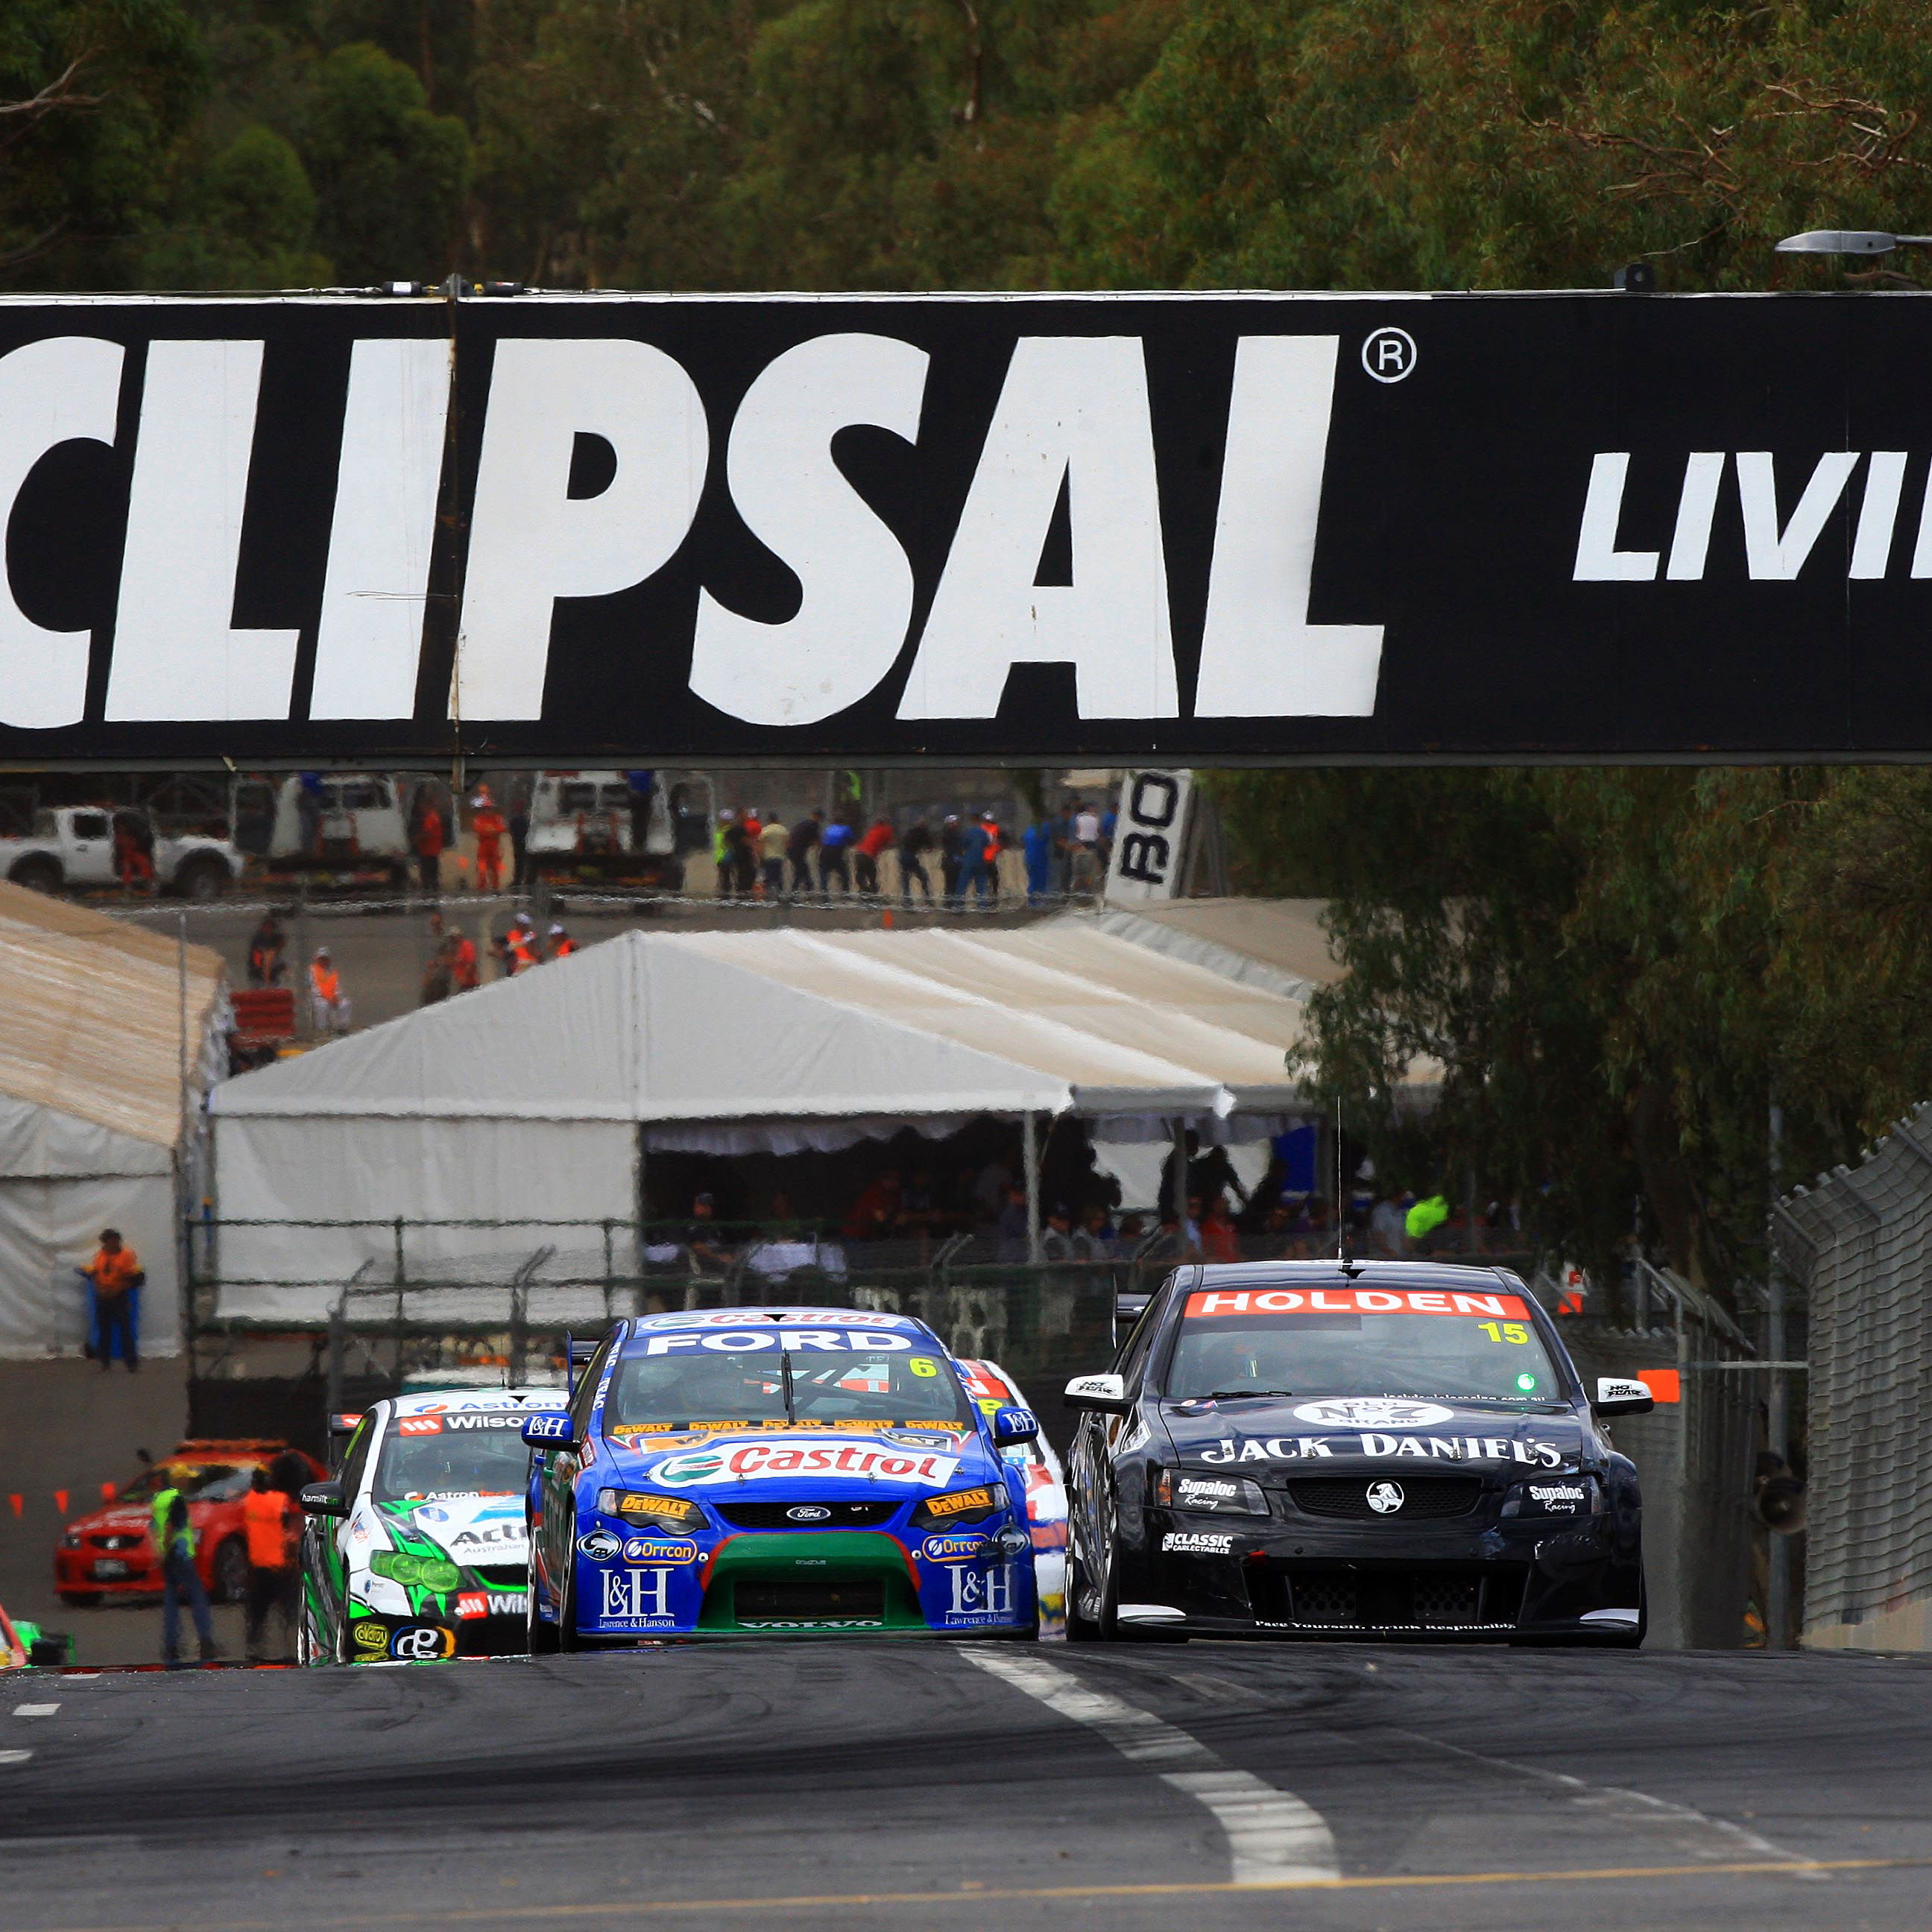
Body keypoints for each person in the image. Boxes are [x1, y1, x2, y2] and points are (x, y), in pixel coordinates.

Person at [151, 1470, 219, 1665]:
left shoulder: (158, 1499)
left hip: (168, 1557)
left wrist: (159, 1554)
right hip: (179, 1554)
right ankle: (206, 1640)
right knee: (197, 1596)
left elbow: (154, 1528)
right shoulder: (175, 1498)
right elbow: (173, 1526)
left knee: (171, 1600)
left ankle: (171, 1644)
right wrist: (166, 1549)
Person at [242, 1467, 298, 1663]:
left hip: (258, 1566)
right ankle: (293, 1647)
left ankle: (254, 1648)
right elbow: (288, 1529)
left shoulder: (249, 1501)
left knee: (258, 1612)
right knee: (289, 1611)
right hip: (280, 1565)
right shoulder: (279, 1500)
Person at [80, 1229, 141, 1371]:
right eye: (108, 1242)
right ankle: (105, 1362)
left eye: (114, 1241)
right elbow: (95, 1274)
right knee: (104, 1329)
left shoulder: (126, 1255)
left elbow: (130, 1278)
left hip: (119, 1295)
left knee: (125, 1329)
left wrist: (117, 1290)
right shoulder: (100, 1255)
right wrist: (99, 1289)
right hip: (103, 1296)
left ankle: (131, 1362)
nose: (111, 1245)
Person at [471, 789, 506, 892]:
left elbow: (501, 829)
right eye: (486, 809)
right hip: (483, 847)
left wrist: (490, 831)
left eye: (489, 808)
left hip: (494, 846)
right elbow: (479, 831)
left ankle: (495, 887)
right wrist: (492, 831)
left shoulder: (497, 818)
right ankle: (482, 887)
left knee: (495, 868)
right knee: (482, 868)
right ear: (483, 809)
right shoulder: (478, 819)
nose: (488, 811)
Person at [308, 947, 350, 1033]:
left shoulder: (332, 972)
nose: (323, 961)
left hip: (332, 997)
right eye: (321, 959)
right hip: (318, 997)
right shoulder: (311, 971)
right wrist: (328, 997)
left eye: (325, 959)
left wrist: (336, 997)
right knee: (322, 1006)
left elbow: (337, 987)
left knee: (345, 1003)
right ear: (317, 959)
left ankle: (342, 1028)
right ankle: (322, 1030)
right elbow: (312, 988)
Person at [854, 818, 895, 899]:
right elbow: (891, 843)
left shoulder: (873, 830)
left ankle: (864, 893)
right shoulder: (887, 829)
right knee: (872, 877)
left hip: (859, 854)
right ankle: (872, 895)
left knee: (861, 876)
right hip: (868, 856)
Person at [899, 818, 934, 904]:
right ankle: (928, 898)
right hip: (911, 856)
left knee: (906, 880)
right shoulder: (923, 833)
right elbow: (929, 846)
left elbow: (904, 841)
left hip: (903, 855)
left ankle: (907, 902)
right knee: (924, 877)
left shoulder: (911, 831)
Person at [786, 811, 821, 897]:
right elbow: (817, 841)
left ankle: (801, 891)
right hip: (797, 851)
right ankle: (800, 891)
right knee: (802, 871)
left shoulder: (803, 823)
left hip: (792, 850)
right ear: (818, 817)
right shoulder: (814, 825)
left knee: (801, 871)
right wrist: (820, 852)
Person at [246, 912, 285, 987]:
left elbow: (278, 960)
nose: (268, 929)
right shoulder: (258, 941)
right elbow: (257, 961)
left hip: (271, 977)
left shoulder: (274, 943)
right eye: (267, 927)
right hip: (258, 976)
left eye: (270, 927)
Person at [413, 798, 445, 894]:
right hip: (432, 850)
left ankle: (429, 893)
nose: (421, 809)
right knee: (433, 873)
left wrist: (416, 839)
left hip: (429, 851)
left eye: (423, 807)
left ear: (428, 806)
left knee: (427, 874)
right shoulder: (433, 817)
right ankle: (433, 891)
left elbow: (428, 833)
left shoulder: (431, 818)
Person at [818, 815, 854, 895]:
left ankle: (824, 897)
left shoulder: (829, 828)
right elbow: (851, 841)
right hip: (836, 852)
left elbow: (823, 839)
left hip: (825, 851)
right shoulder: (846, 828)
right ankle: (845, 894)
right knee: (844, 875)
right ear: (843, 822)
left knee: (824, 876)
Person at [1022, 818, 1053, 907]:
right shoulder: (1045, 828)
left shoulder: (1029, 830)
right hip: (1040, 858)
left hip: (1029, 858)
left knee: (1033, 881)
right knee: (1042, 881)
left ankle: (1032, 903)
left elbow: (1024, 841)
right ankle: (1042, 902)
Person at [757, 813, 789, 897]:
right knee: (778, 876)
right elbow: (787, 844)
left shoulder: (765, 830)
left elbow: (760, 845)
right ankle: (780, 894)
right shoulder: (783, 830)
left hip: (768, 857)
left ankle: (768, 896)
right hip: (780, 857)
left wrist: (760, 857)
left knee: (768, 877)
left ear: (769, 820)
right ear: (777, 819)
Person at [939, 815, 965, 906]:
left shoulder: (956, 833)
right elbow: (950, 847)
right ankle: (950, 902)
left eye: (956, 822)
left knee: (955, 882)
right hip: (951, 861)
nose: (956, 824)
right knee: (950, 882)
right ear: (949, 823)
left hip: (955, 860)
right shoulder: (948, 833)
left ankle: (953, 902)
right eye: (953, 822)